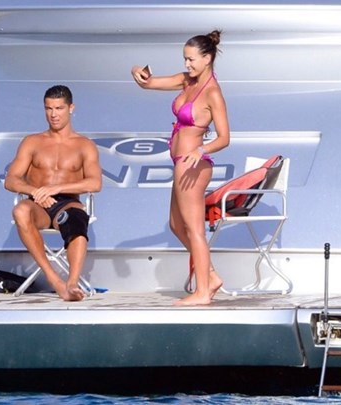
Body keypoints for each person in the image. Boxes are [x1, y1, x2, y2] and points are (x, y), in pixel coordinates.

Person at [131, 30, 230, 306]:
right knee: (176, 225)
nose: (187, 64)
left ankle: (202, 292)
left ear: (207, 58)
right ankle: (211, 276)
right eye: (185, 59)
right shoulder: (186, 80)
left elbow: (224, 138)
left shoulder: (213, 93)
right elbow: (149, 84)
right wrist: (136, 70)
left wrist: (201, 150)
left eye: (191, 60)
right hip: (180, 162)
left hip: (193, 163)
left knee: (195, 229)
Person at [4, 85, 102, 301]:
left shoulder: (84, 145)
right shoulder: (32, 142)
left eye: (59, 108)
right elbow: (11, 180)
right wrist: (36, 191)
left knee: (76, 218)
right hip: (38, 205)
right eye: (48, 109)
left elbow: (95, 183)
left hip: (67, 204)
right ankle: (54, 280)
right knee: (20, 211)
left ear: (71, 108)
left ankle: (72, 283)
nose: (53, 114)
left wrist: (56, 188)